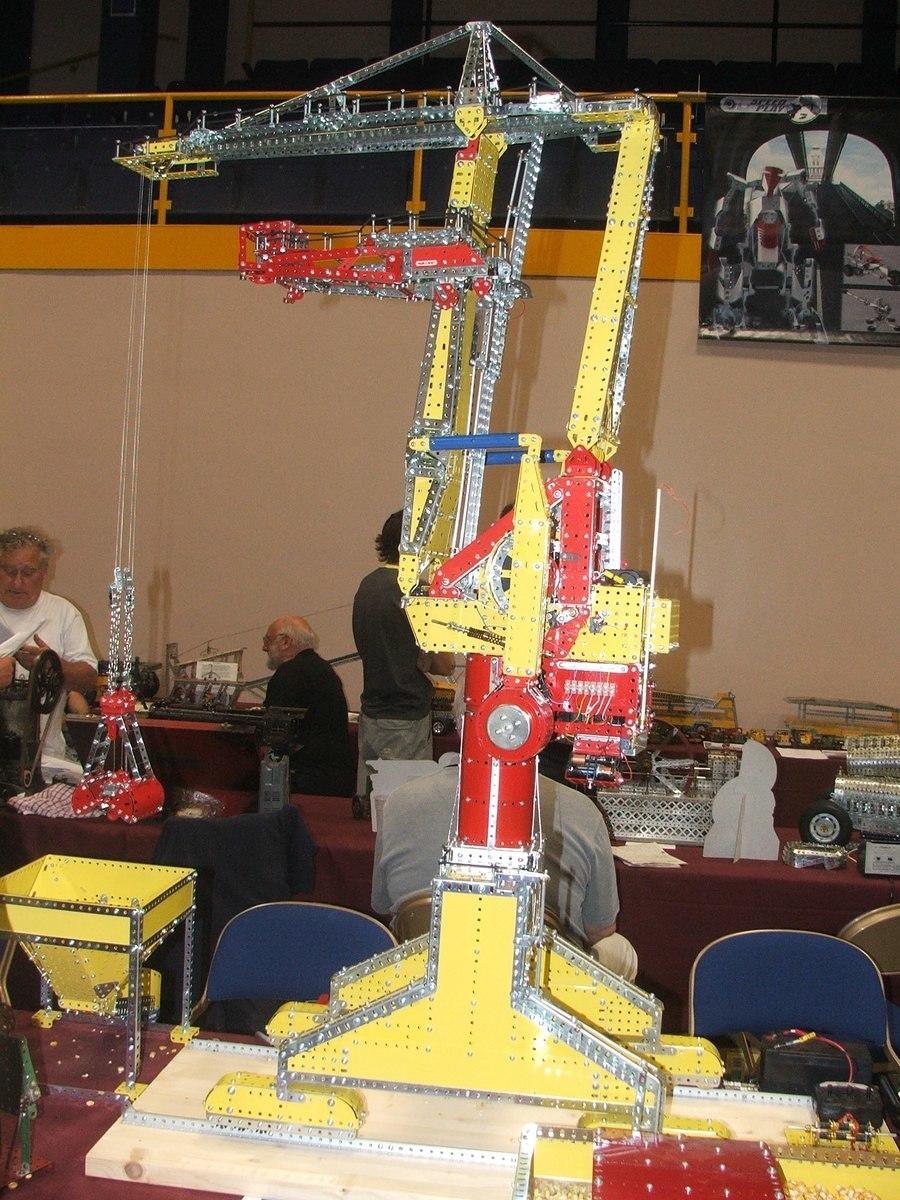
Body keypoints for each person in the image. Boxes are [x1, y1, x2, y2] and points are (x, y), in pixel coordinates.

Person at [371, 761, 638, 981]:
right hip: (541, 976)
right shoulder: (583, 810)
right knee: (619, 949)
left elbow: (383, 905)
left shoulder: (398, 801)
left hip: (423, 968)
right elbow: (601, 929)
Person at [352, 510, 454, 808]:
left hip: (372, 710)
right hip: (407, 716)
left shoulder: (366, 586)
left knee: (372, 801)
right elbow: (444, 665)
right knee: (405, 805)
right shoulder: (414, 592)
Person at [0, 527, 98, 763]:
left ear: (44, 572)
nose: (17, 581)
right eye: (9, 571)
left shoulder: (63, 613)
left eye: (28, 573)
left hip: (45, 758)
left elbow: (87, 679)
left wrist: (52, 666)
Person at [263, 614, 355, 796]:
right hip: (335, 777)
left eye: (268, 640)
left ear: (285, 642)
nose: (264, 647)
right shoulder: (324, 669)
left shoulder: (288, 674)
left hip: (304, 780)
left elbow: (275, 733)